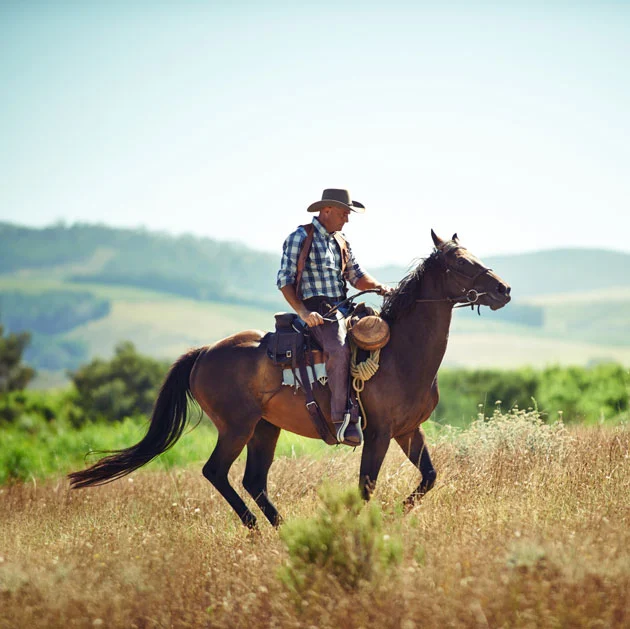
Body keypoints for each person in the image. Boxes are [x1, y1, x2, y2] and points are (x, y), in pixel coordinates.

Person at [277, 188, 393, 447]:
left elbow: (357, 276)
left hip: (342, 307)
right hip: (317, 308)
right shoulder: (299, 237)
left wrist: (379, 287)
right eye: (344, 213)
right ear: (326, 210)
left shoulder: (341, 241)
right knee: (339, 350)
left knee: (379, 332)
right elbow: (284, 280)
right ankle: (341, 420)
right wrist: (304, 313)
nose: (347, 219)